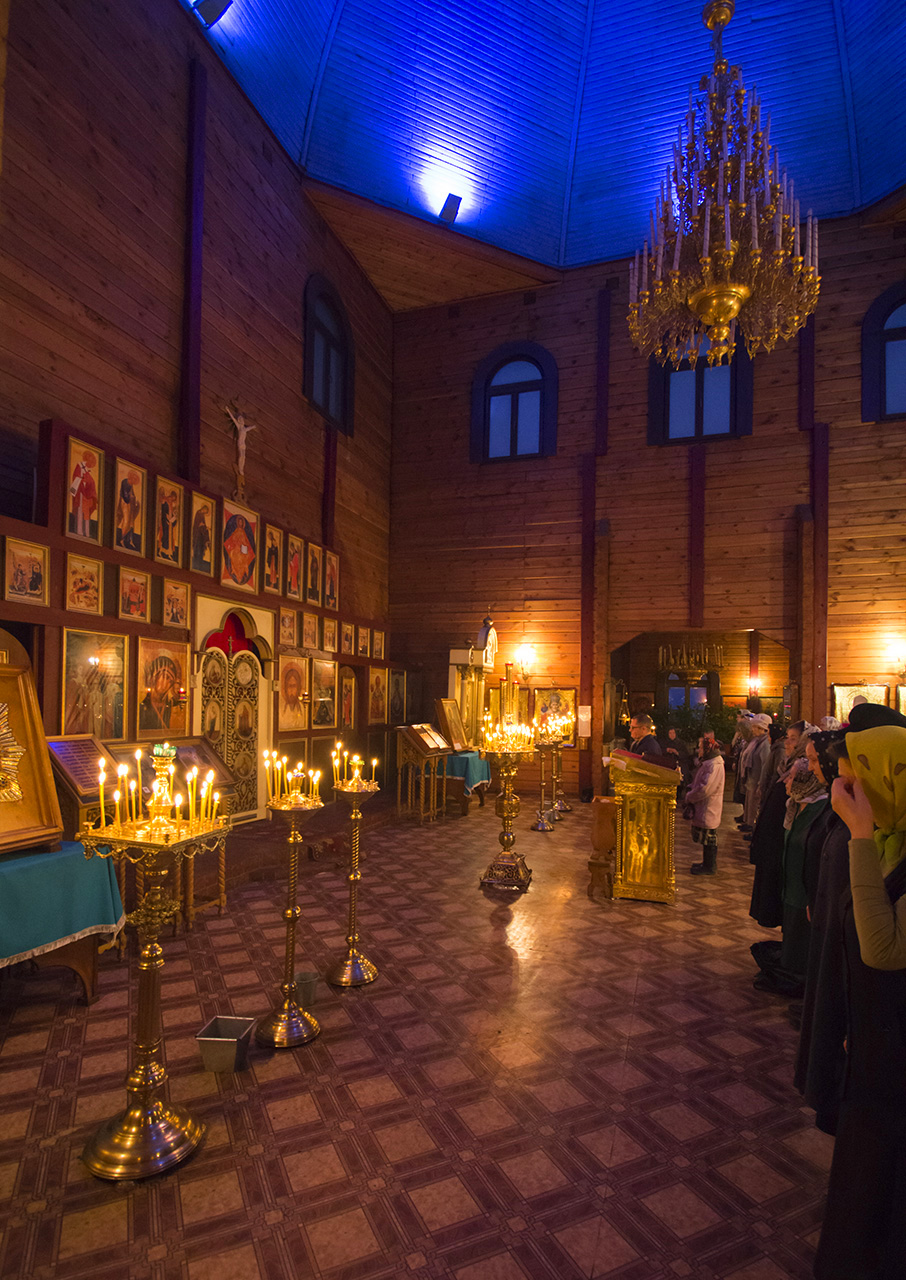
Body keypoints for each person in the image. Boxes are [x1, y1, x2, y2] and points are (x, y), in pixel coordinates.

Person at [813, 726, 906, 1279]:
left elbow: (883, 949)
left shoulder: (881, 839)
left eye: (856, 781)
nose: (844, 789)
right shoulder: (894, 837)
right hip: (877, 1035)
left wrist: (860, 834)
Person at [684, 738, 725, 875]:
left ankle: (710, 866)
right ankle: (706, 863)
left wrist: (690, 796)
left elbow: (705, 788)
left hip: (708, 805)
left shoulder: (714, 764)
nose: (699, 750)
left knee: (709, 838)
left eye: (701, 748)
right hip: (705, 805)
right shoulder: (709, 762)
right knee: (706, 837)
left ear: (708, 749)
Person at [739, 712, 771, 830]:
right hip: (752, 777)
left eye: (754, 727)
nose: (752, 730)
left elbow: (765, 764)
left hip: (757, 779)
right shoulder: (757, 741)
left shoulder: (765, 744)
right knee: (750, 802)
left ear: (761, 728)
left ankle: (752, 826)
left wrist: (761, 783)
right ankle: (748, 822)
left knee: (754, 803)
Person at [69, 449, 98, 538]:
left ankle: (87, 532)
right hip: (80, 493)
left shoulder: (87, 471)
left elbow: (91, 482)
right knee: (80, 511)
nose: (91, 465)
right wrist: (82, 481)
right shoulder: (80, 466)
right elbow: (76, 477)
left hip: (87, 495)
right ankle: (79, 531)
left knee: (86, 513)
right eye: (90, 462)